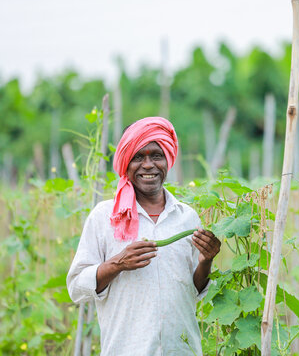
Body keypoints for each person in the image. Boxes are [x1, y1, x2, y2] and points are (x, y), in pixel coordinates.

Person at [67, 116, 221, 355]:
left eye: (156, 156)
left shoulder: (186, 217)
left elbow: (194, 289)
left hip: (181, 350)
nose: (148, 165)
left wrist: (206, 261)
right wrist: (118, 263)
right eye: (138, 157)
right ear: (126, 164)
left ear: (167, 161)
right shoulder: (104, 217)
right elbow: (77, 287)